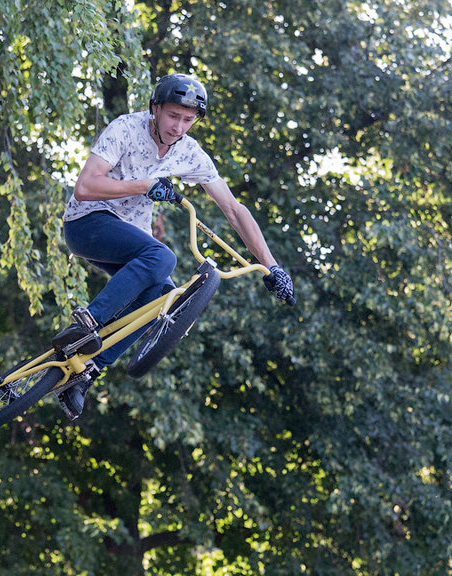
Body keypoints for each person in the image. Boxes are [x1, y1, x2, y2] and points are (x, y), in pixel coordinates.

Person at [55, 73, 294, 420]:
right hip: (87, 222)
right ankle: (87, 322)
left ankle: (85, 372)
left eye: (187, 120)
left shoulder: (189, 153)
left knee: (163, 298)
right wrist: (145, 185)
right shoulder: (126, 129)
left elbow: (233, 210)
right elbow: (85, 186)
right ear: (156, 109)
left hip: (128, 238)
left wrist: (272, 266)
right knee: (161, 255)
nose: (178, 127)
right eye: (172, 116)